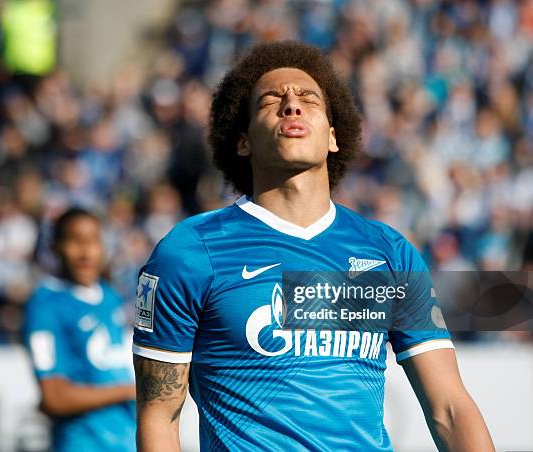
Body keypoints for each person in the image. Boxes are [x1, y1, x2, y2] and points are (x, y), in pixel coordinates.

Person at [132, 41, 495, 451]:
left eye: (308, 98)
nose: (292, 105)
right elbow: (160, 415)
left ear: (333, 137)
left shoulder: (388, 251)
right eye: (271, 100)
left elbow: (449, 406)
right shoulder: (190, 251)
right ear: (242, 141)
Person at [23, 207, 136, 451]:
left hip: (126, 441)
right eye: (75, 241)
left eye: (93, 241)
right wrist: (130, 391)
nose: (86, 252)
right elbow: (54, 397)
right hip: (83, 443)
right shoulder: (46, 304)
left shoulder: (110, 296)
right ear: (55, 247)